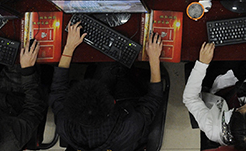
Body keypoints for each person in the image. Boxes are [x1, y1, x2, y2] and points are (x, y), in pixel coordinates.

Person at [49, 21, 165, 151]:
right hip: (127, 106)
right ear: (112, 101)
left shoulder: (65, 124)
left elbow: (58, 90)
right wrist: (154, 59)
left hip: (109, 113)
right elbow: (154, 99)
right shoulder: (129, 127)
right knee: (118, 63)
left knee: (108, 63)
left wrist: (69, 47)